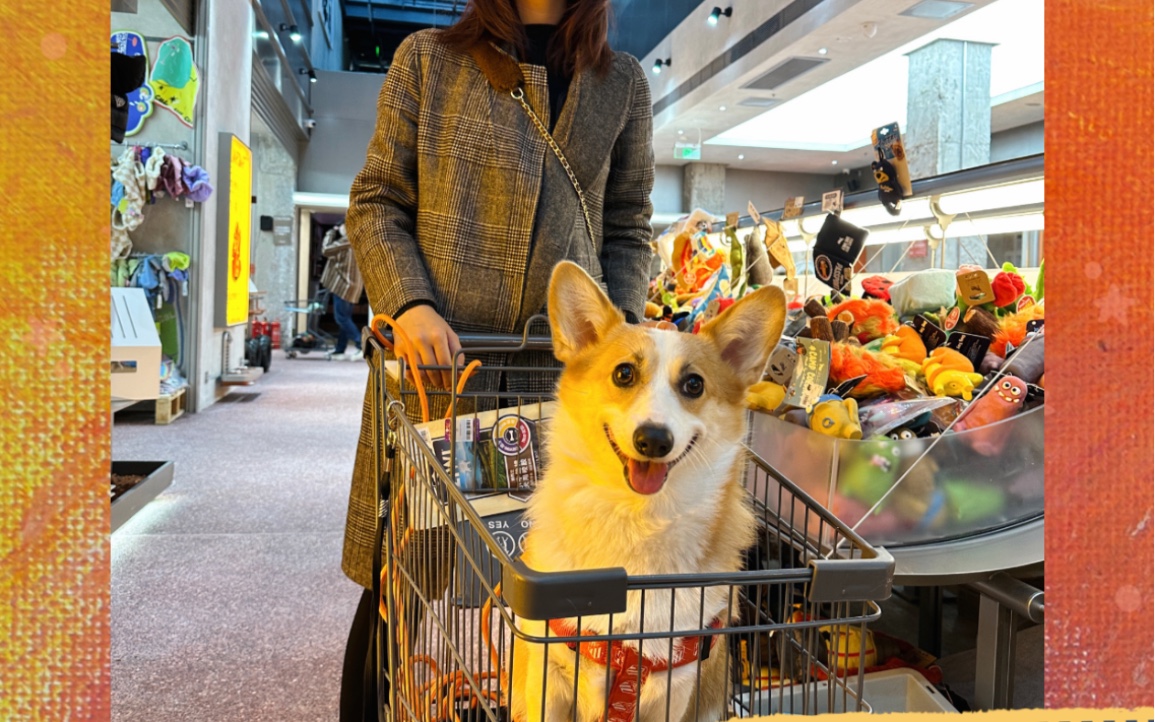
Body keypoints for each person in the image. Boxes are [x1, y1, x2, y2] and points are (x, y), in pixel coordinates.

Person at [338, 0, 655, 717]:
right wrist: (410, 302)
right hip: (439, 380)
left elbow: (628, 221)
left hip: (561, 389)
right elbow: (376, 200)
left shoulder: (621, 82)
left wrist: (620, 335)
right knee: (401, 585)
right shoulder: (428, 58)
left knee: (551, 594)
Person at [320, 222, 366, 361]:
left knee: (341, 319)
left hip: (343, 286)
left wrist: (331, 232)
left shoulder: (347, 240)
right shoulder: (358, 241)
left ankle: (361, 344)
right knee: (345, 319)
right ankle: (340, 349)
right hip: (352, 287)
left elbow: (326, 250)